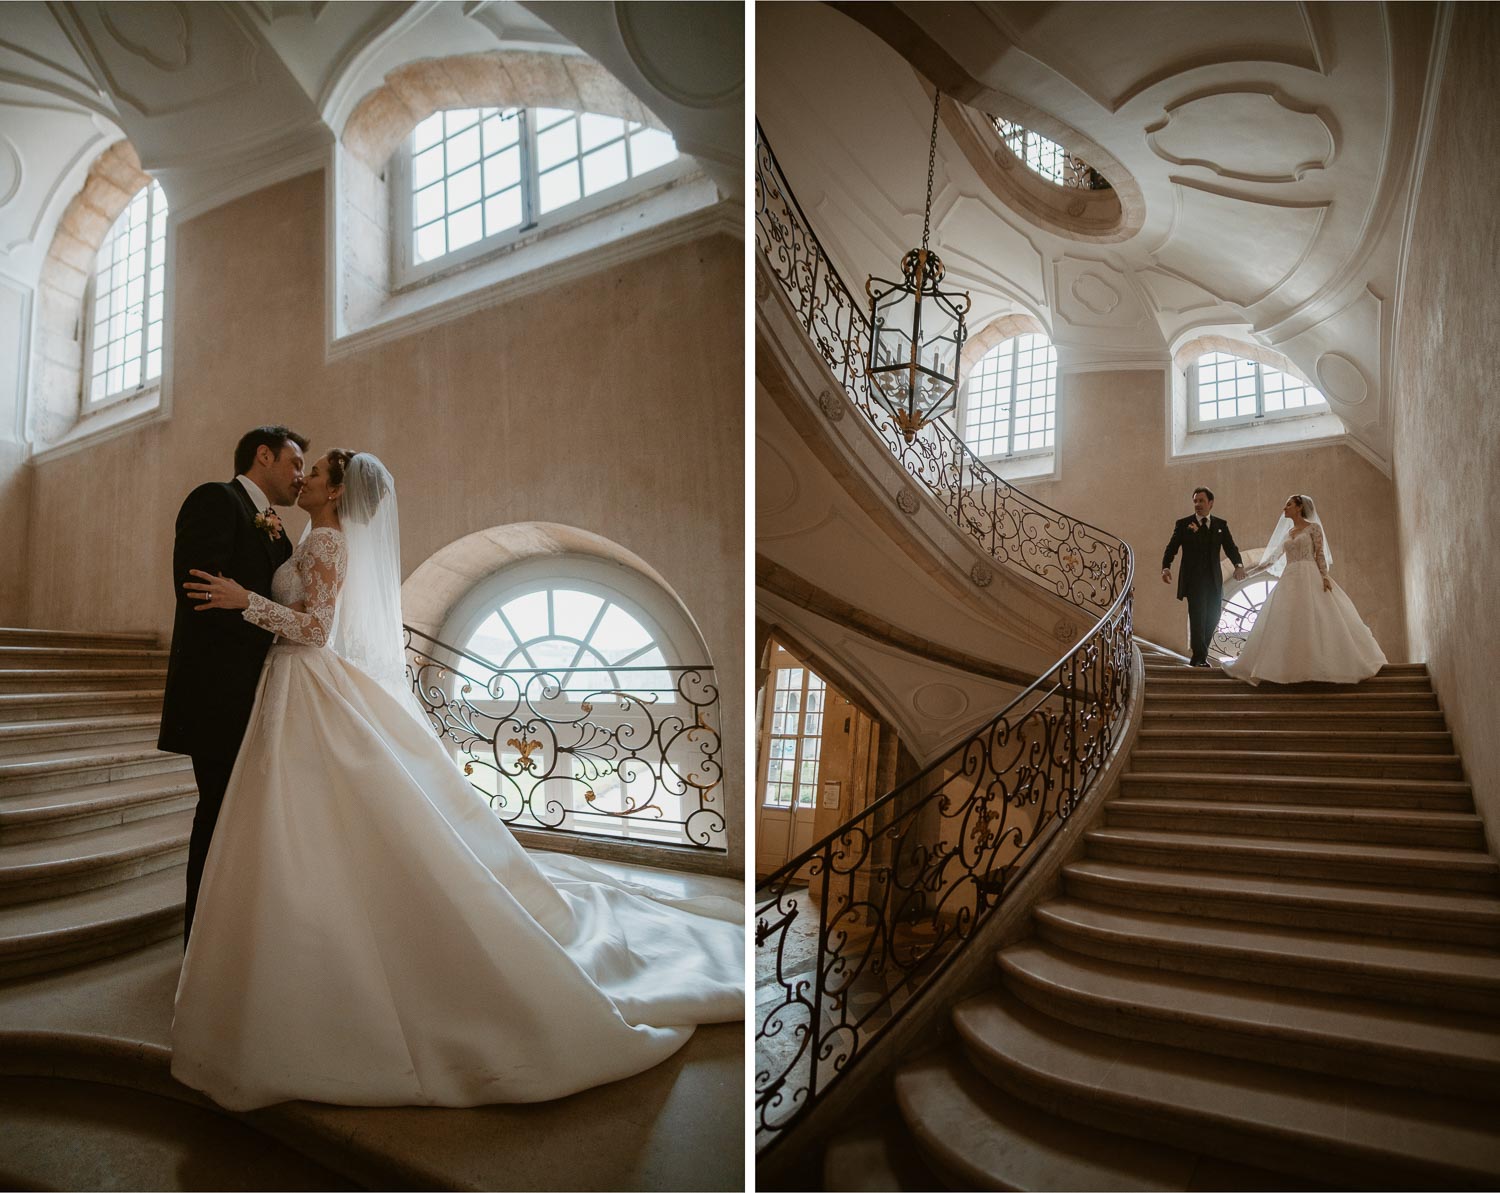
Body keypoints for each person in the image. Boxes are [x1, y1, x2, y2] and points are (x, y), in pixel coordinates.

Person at [169, 450, 742, 1111]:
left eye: (316, 471)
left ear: (334, 493)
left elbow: (318, 630)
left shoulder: (327, 541)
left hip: (305, 679)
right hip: (288, 691)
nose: (306, 477)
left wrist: (249, 603)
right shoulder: (310, 534)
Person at [157, 425, 307, 944]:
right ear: (263, 455)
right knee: (217, 816)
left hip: (266, 692)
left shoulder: (277, 529)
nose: (300, 475)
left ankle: (241, 940)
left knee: (248, 820)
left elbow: (271, 601)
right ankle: (200, 945)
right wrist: (257, 617)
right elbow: (199, 591)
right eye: (294, 462)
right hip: (220, 695)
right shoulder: (215, 499)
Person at [1221, 494, 1387, 685]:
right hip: (1289, 578)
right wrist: (1249, 574)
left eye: (1288, 505)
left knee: (1317, 617)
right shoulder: (1288, 534)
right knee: (1287, 619)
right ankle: (1289, 667)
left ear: (1299, 507)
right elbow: (1272, 560)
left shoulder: (1313, 528)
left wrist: (1324, 577)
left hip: (1310, 575)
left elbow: (1320, 554)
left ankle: (1322, 665)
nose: (1284, 509)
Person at [1160, 486, 1246, 667]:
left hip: (1214, 579)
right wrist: (1166, 567)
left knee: (1214, 617)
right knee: (1198, 617)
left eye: (1201, 501)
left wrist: (1238, 565)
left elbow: (1231, 547)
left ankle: (1200, 654)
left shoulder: (1221, 525)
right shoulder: (1183, 524)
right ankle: (1199, 657)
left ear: (1211, 503)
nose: (1197, 504)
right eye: (1195, 501)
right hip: (1193, 580)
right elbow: (1172, 547)